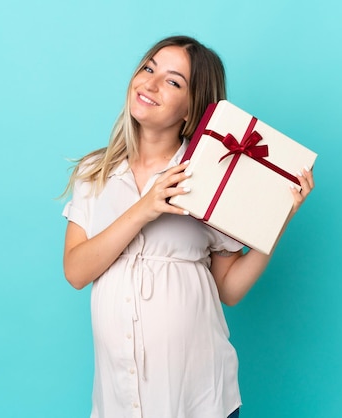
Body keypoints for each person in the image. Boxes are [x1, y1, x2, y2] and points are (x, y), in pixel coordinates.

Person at [62, 35, 314, 418]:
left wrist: (275, 224)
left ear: (192, 110)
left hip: (199, 397)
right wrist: (145, 208)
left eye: (173, 81)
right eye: (149, 68)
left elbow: (228, 289)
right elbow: (76, 271)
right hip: (118, 398)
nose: (150, 83)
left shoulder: (211, 179)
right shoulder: (95, 172)